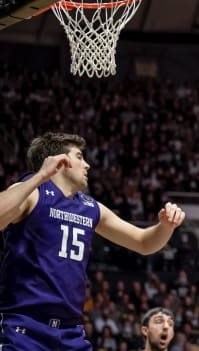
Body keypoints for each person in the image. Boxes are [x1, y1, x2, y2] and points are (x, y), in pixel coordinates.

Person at [0, 132, 186, 350]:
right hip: (25, 328)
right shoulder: (33, 192)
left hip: (70, 333)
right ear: (60, 161)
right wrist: (40, 176)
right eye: (79, 157)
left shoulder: (89, 207)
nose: (87, 165)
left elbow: (144, 243)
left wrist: (165, 226)